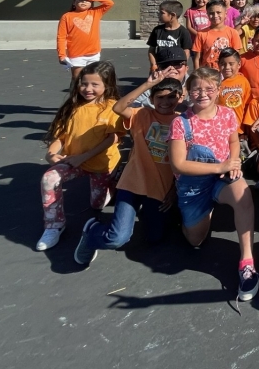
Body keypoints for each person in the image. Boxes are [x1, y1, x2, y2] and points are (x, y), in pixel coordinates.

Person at [168, 68, 259, 301]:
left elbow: (233, 141)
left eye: (209, 88)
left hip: (222, 179)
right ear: (188, 92)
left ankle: (247, 263)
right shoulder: (180, 122)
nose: (203, 93)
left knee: (243, 195)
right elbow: (178, 165)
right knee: (195, 240)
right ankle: (197, 211)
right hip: (193, 185)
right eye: (196, 88)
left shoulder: (227, 114)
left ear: (218, 90)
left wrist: (235, 162)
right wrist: (220, 166)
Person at [75, 72, 183, 264]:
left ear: (180, 98)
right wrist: (148, 84)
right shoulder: (141, 115)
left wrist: (174, 190)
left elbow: (183, 162)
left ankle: (147, 213)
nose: (165, 102)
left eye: (171, 97)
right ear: (151, 99)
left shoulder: (184, 122)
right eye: (160, 97)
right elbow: (118, 107)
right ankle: (92, 232)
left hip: (159, 188)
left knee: (155, 238)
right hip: (133, 182)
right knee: (117, 238)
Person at [36, 60, 122, 251]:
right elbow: (61, 136)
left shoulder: (113, 108)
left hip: (101, 165)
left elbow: (112, 139)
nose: (87, 89)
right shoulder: (73, 106)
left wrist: (83, 157)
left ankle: (113, 182)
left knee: (97, 205)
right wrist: (51, 153)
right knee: (49, 179)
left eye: (94, 84)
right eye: (84, 83)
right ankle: (53, 226)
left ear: (107, 86)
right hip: (74, 162)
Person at [56, 0, 114, 83]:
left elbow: (110, 3)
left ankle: (91, 97)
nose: (84, 1)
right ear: (74, 2)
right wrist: (62, 55)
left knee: (93, 79)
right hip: (76, 55)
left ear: (91, 2)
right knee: (77, 79)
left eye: (87, 0)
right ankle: (74, 97)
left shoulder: (96, 12)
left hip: (94, 53)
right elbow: (61, 37)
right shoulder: (67, 16)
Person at [192, 0, 242, 70]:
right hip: (208, 73)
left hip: (226, 73)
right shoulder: (201, 34)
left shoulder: (233, 33)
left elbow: (236, 57)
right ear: (207, 14)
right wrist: (197, 74)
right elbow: (197, 58)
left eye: (218, 12)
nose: (215, 16)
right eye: (211, 13)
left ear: (225, 13)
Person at [146, 0, 192, 75]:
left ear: (172, 15)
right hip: (160, 67)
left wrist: (182, 66)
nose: (159, 15)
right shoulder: (157, 30)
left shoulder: (183, 32)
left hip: (176, 69)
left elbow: (186, 52)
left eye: (162, 13)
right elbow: (151, 50)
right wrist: (153, 65)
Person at [217, 48, 252, 127]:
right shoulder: (215, 82)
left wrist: (246, 128)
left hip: (239, 128)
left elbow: (247, 106)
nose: (227, 67)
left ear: (239, 65)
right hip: (221, 128)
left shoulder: (243, 81)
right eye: (223, 64)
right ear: (218, 64)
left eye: (231, 64)